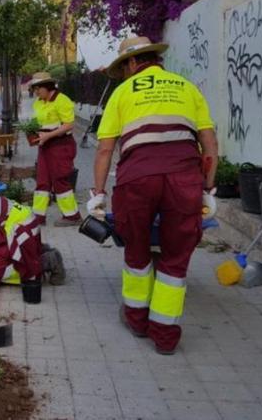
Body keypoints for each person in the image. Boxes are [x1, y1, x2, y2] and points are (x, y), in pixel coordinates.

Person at [87, 35, 218, 355]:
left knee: (136, 250)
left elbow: (105, 149)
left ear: (133, 63)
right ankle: (165, 334)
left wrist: (98, 194)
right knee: (175, 258)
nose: (124, 74)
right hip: (184, 179)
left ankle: (137, 319)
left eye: (124, 67)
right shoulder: (186, 88)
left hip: (137, 180)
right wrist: (208, 188)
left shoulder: (121, 94)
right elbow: (210, 144)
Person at [29, 72, 82, 227]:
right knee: (42, 180)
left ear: (47, 86)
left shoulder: (62, 100)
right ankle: (38, 216)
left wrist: (48, 135)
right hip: (45, 145)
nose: (36, 92)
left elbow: (69, 124)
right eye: (34, 88)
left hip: (61, 145)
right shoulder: (38, 102)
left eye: (38, 88)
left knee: (60, 179)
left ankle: (72, 216)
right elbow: (38, 123)